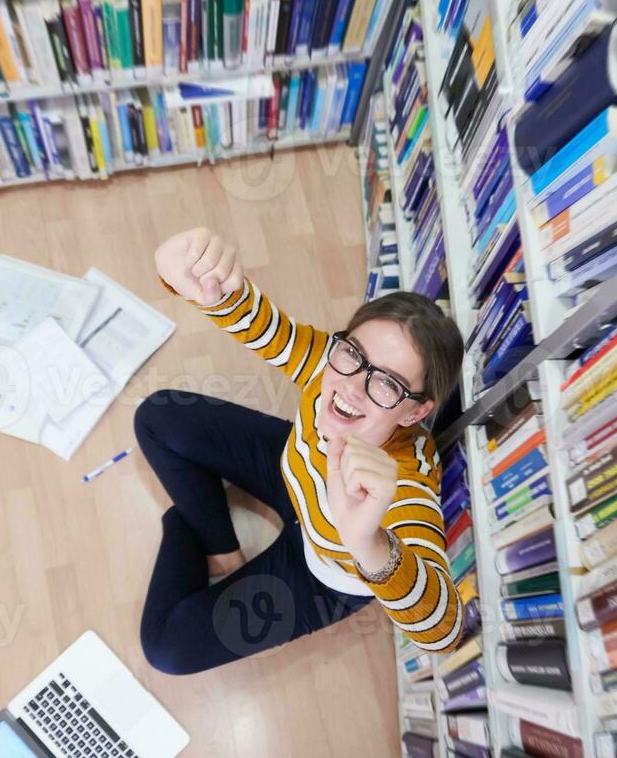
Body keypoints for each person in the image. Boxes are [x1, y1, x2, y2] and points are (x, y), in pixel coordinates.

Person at [134, 227, 472, 675]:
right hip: (291, 471)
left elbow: (443, 632)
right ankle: (220, 545)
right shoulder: (333, 363)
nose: (352, 387)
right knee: (157, 415)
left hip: (319, 574)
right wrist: (190, 276)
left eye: (388, 383)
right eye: (353, 353)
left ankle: (197, 518)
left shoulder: (406, 482)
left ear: (414, 413)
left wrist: (366, 542)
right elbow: (263, 325)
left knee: (167, 648)